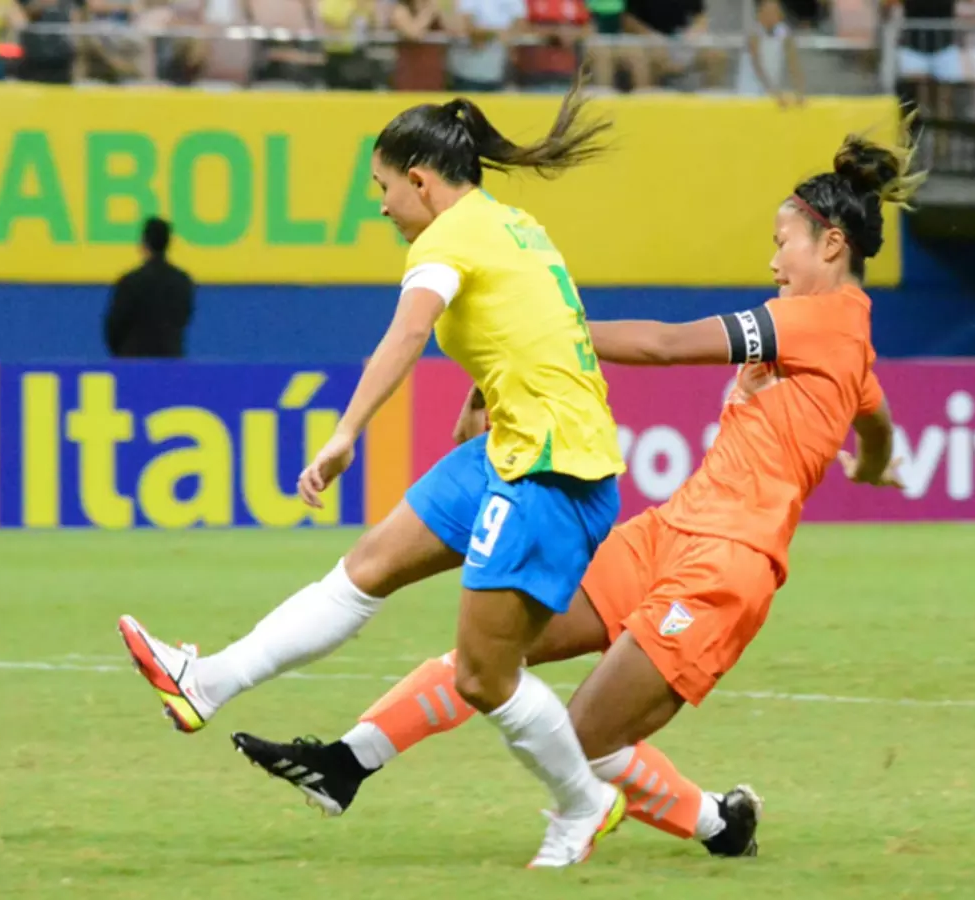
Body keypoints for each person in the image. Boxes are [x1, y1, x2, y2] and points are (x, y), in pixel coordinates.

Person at [231, 127, 923, 861]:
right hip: (665, 536)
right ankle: (346, 763)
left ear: (832, 245)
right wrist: (872, 464)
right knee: (490, 652)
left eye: (782, 244)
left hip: (726, 568)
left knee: (585, 737)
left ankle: (713, 823)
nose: (773, 262)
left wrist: (547, 335)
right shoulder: (848, 342)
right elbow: (875, 417)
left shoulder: (815, 320)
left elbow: (664, 346)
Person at [120, 78, 631, 868]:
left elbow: (408, 334)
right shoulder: (512, 225)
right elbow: (537, 327)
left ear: (420, 181)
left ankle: (583, 802)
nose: (383, 206)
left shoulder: (443, 242)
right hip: (513, 449)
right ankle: (205, 683)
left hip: (551, 471)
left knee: (484, 675)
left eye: (384, 188)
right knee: (366, 567)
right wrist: (482, 395)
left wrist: (344, 433)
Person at [104, 217, 195, 359]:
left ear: (144, 243)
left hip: (134, 359)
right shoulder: (182, 281)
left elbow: (114, 326)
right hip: (170, 359)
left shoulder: (130, 281)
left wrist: (123, 353)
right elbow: (184, 318)